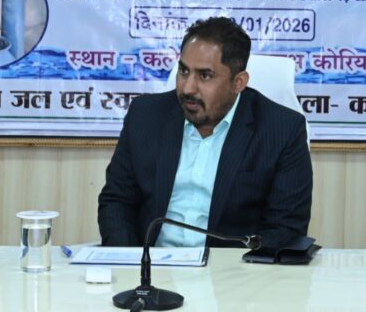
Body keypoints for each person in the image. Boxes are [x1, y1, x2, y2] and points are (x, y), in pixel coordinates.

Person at [98, 17, 312, 250]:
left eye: (205, 76)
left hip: (233, 268)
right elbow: (117, 201)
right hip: (152, 264)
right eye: (183, 71)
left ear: (239, 82)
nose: (188, 88)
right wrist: (129, 261)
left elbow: (286, 227)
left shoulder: (282, 130)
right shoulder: (145, 116)